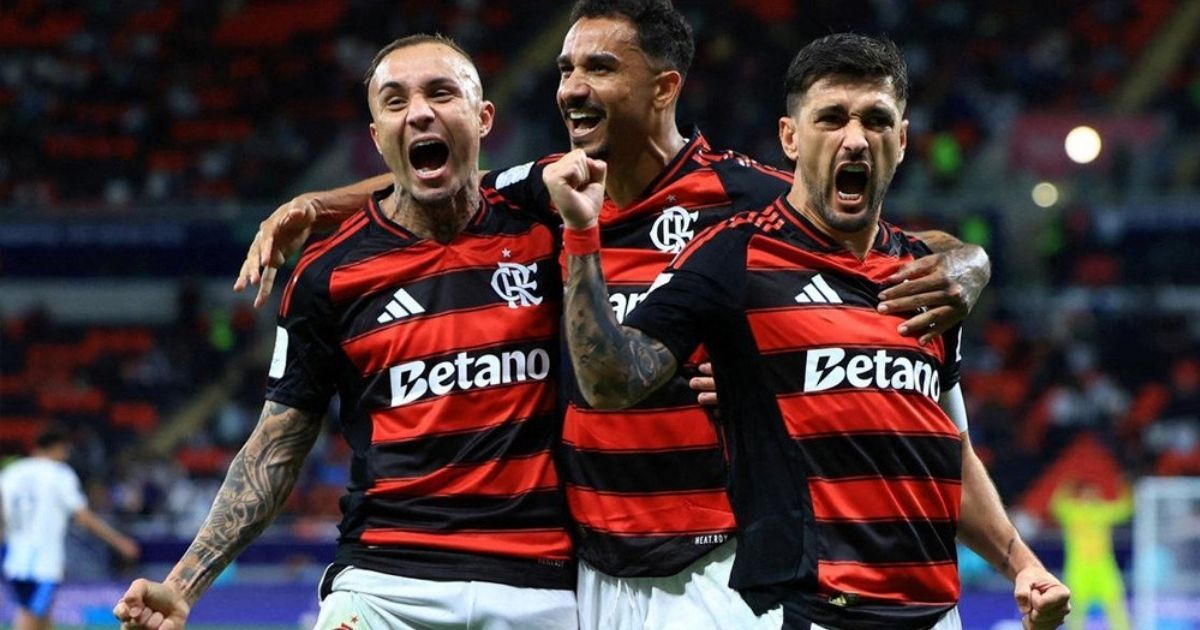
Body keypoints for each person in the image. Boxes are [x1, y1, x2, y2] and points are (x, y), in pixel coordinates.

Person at [233, 3, 994, 629]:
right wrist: (318, 205)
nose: (571, 88)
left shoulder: (746, 199)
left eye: (597, 68)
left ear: (663, 88)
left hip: (721, 560)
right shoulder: (550, 192)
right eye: (565, 69)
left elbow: (880, 244)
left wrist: (969, 262)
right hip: (592, 572)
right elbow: (449, 179)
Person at [544, 32, 1071, 629]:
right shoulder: (733, 256)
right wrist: (582, 234)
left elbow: (951, 452)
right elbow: (609, 381)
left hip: (936, 612)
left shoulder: (929, 279)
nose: (856, 138)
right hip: (808, 610)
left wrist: (1021, 564)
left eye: (876, 120)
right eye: (832, 118)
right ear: (790, 138)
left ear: (901, 141)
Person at [113, 35, 577, 630]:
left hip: (538, 583)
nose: (419, 113)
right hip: (383, 584)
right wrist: (182, 586)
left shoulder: (551, 223)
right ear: (377, 137)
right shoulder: (326, 273)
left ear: (484, 118)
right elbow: (275, 448)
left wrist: (319, 202)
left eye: (441, 93)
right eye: (396, 101)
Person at [1, 426, 140, 630]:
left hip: (14, 559)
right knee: (29, 615)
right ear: (58, 447)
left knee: (41, 612)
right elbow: (84, 517)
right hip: (42, 562)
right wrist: (119, 542)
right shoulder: (59, 474)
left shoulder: (11, 473)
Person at [1052, 479, 1132, 630]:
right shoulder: (1072, 511)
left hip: (1103, 568)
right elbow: (1056, 506)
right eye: (1087, 493)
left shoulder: (1102, 511)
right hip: (1079, 568)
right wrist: (1065, 486)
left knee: (1115, 605)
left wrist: (1123, 485)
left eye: (1093, 493)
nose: (1090, 496)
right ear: (1080, 495)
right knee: (1075, 609)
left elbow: (1125, 508)